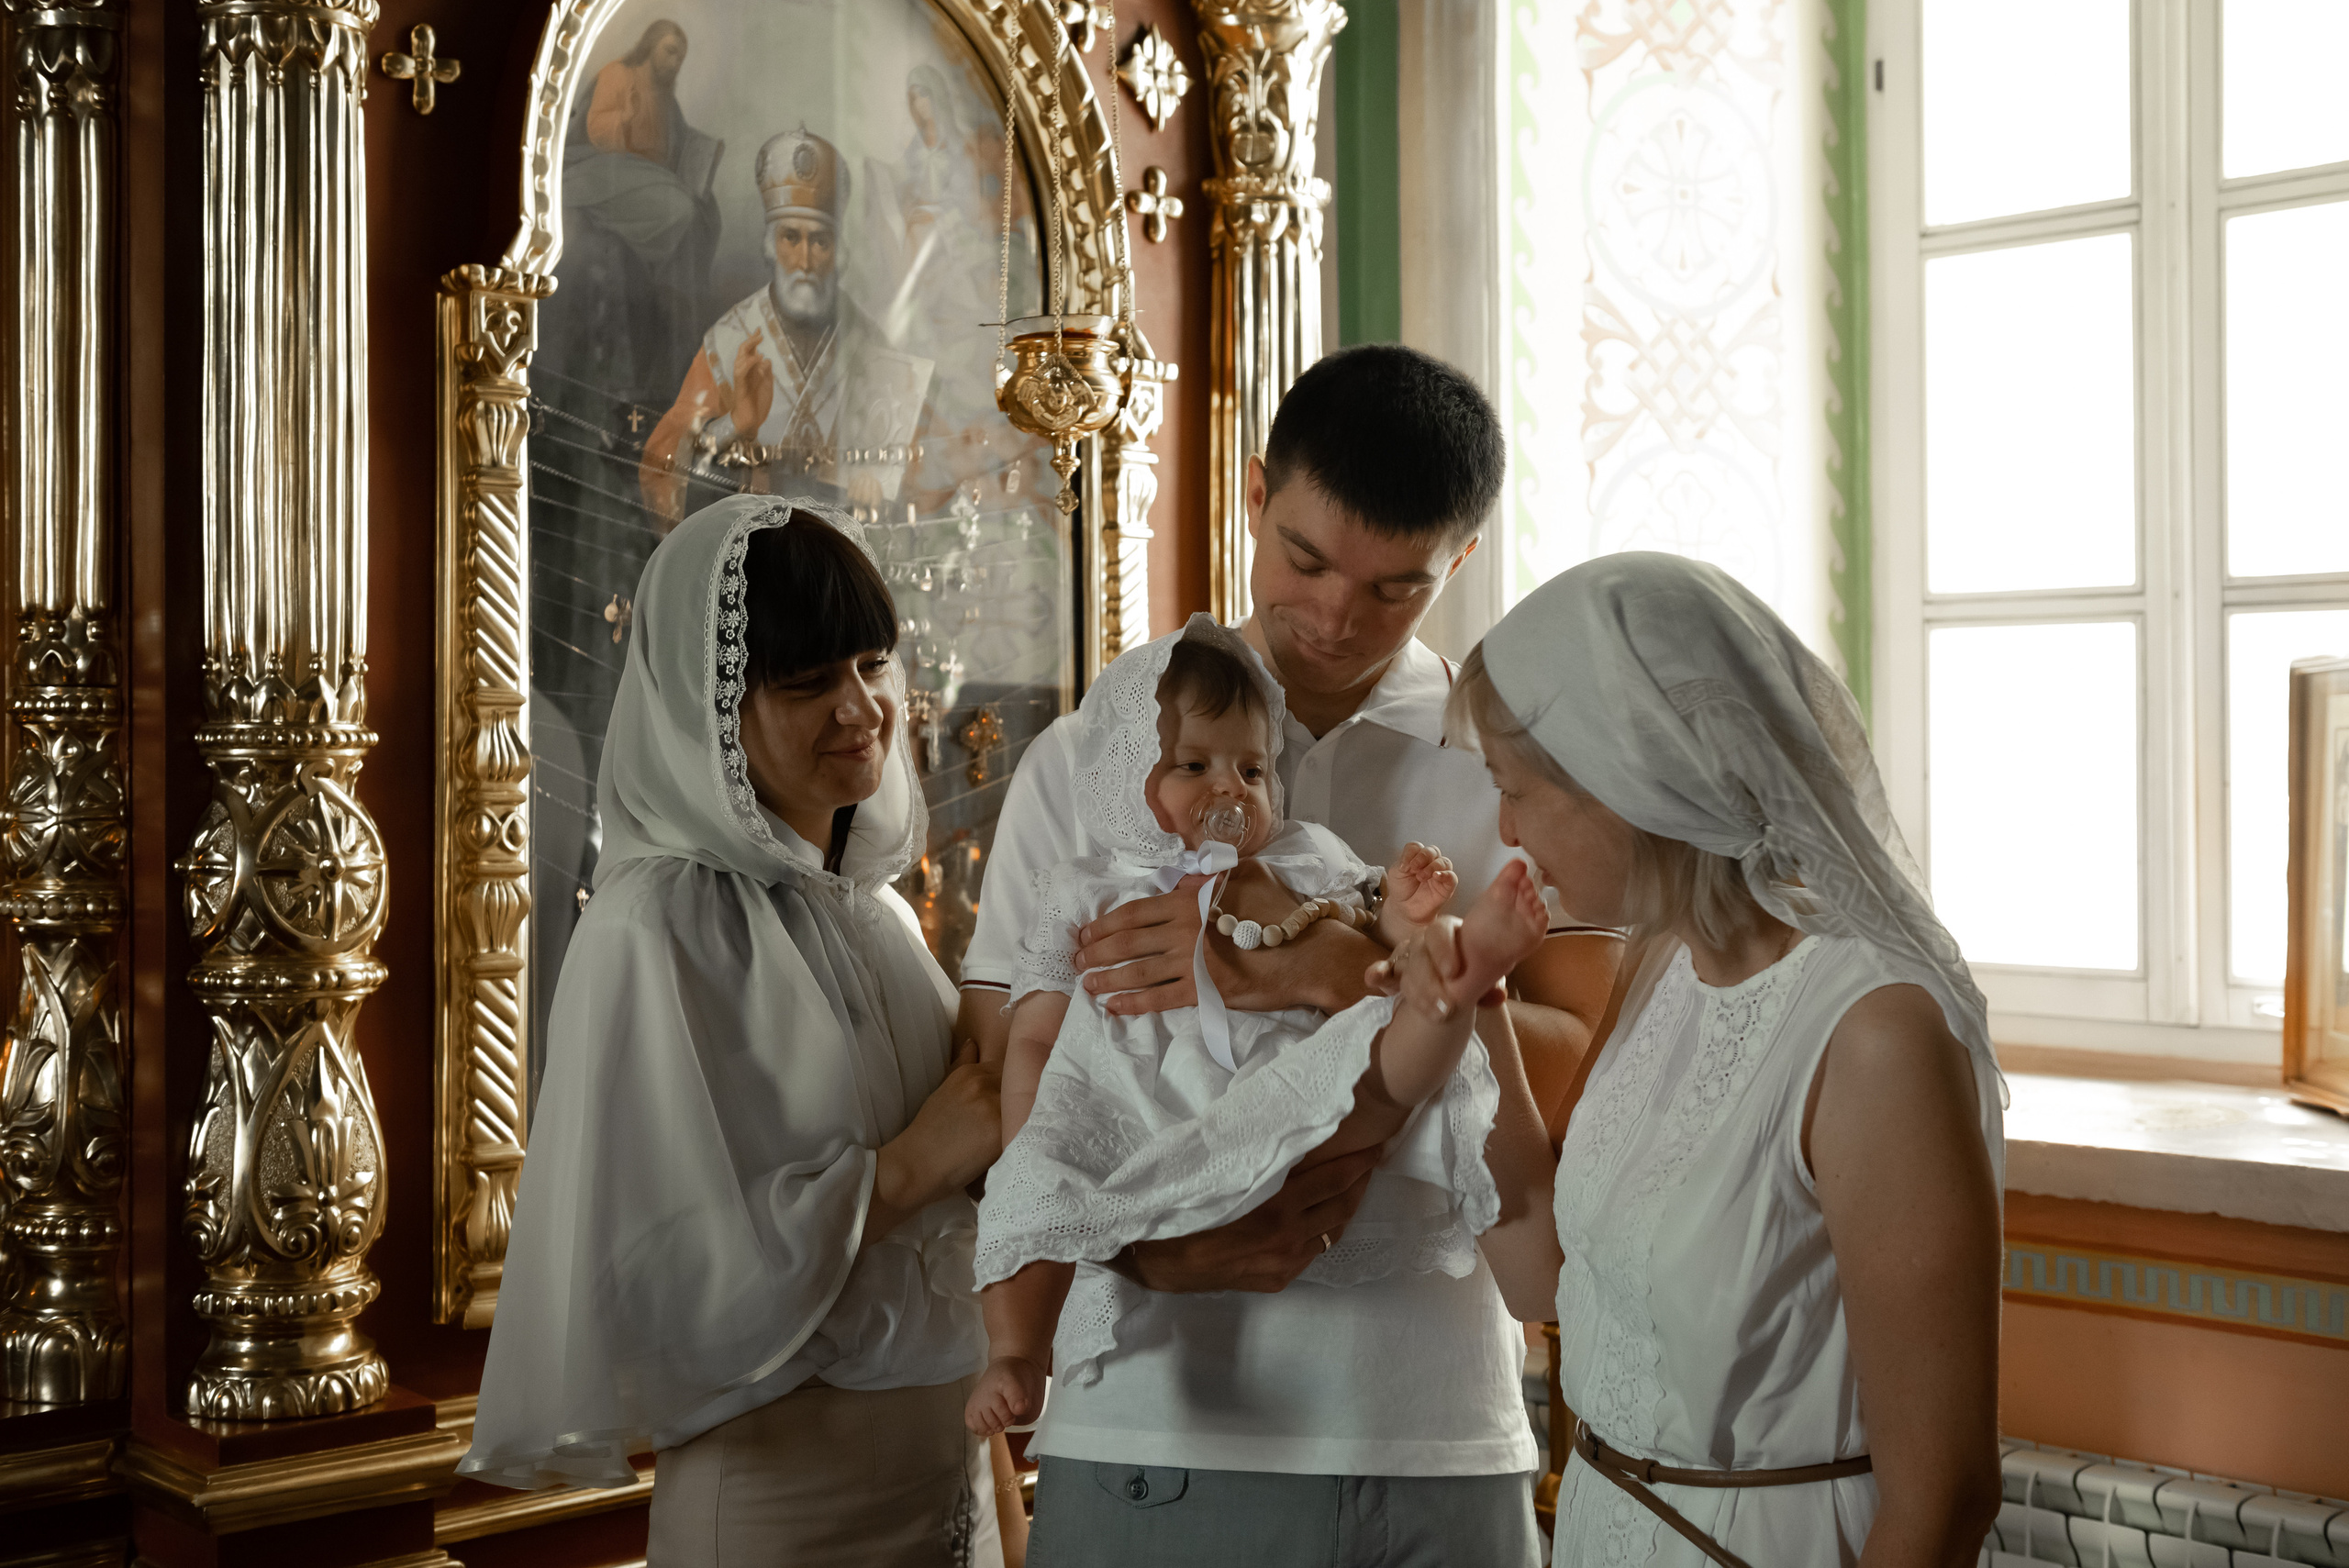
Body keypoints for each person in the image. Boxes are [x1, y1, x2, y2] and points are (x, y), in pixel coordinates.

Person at [959, 345, 1619, 1563]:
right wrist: (1155, 1239)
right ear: (1252, 495)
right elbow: (1018, 1048)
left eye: (1395, 589)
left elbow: (1576, 1050)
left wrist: (1320, 973)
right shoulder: (1100, 749)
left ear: (1458, 562)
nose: (1332, 617)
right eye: (1306, 561)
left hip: (1433, 1430)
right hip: (1157, 1414)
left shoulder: (1513, 759)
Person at [459, 497, 1008, 1568]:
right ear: (709, 708)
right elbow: (656, 1276)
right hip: (786, 1503)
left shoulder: (877, 912)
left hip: (954, 1483)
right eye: (808, 682)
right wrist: (901, 1171)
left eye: (869, 663)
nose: (860, 707)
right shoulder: (651, 922)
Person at [1453, 551, 2007, 1568]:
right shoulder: (1658, 962)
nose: (1504, 829)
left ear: (1628, 780)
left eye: (1515, 788)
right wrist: (1466, 1005)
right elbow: (1544, 1278)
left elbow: (1945, 1499)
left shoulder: (1873, 1032)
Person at [964, 620, 1548, 1438]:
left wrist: (1407, 917)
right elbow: (1032, 1032)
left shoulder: (1302, 856)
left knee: (1382, 1069)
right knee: (1033, 1205)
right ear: (1124, 774)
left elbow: (1366, 910)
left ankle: (1454, 971)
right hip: (1136, 1107)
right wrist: (1034, 1136)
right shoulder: (1087, 888)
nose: (1231, 790)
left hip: (1292, 1104)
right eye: (1194, 766)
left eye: (1252, 769)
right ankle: (1017, 1350)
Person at [639, 128, 933, 522]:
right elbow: (661, 466)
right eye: (791, 238)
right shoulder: (729, 343)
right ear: (770, 245)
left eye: (820, 241)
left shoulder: (872, 347)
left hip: (837, 563)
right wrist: (735, 424)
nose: (805, 260)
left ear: (837, 251)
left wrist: (878, 492)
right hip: (752, 560)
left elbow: (912, 472)